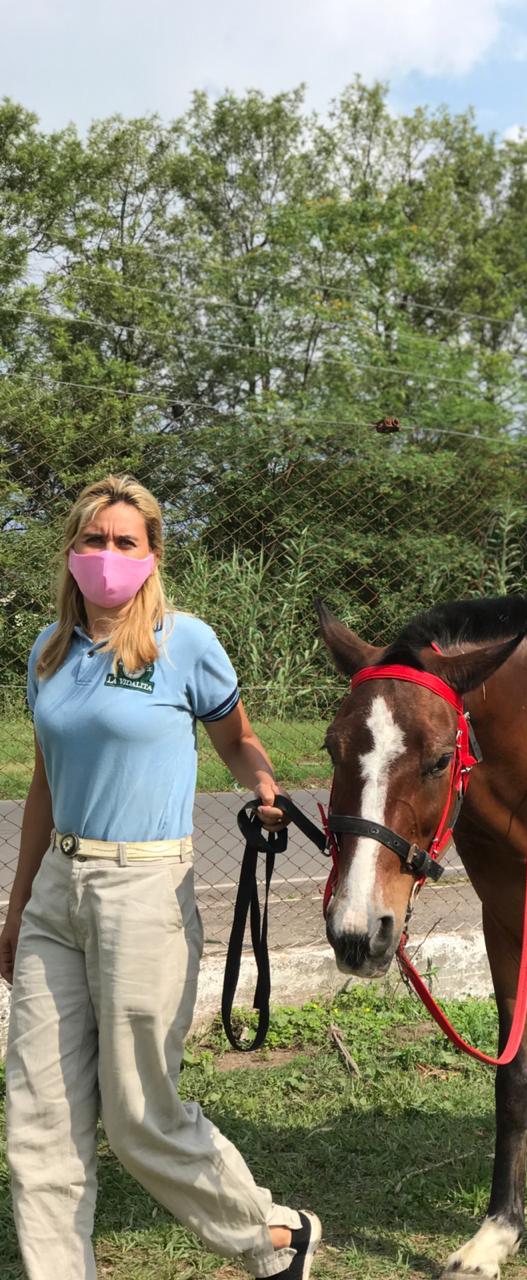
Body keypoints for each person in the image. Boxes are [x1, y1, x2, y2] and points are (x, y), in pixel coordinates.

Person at [0, 475, 321, 1279]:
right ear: (71, 551)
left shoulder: (185, 642)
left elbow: (237, 741)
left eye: (124, 542)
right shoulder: (48, 650)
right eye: (93, 540)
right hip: (55, 896)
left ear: (152, 555)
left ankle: (271, 1237)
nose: (106, 556)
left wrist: (263, 784)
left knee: (140, 1114)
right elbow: (44, 786)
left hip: (145, 893)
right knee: (38, 1120)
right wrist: (15, 911)